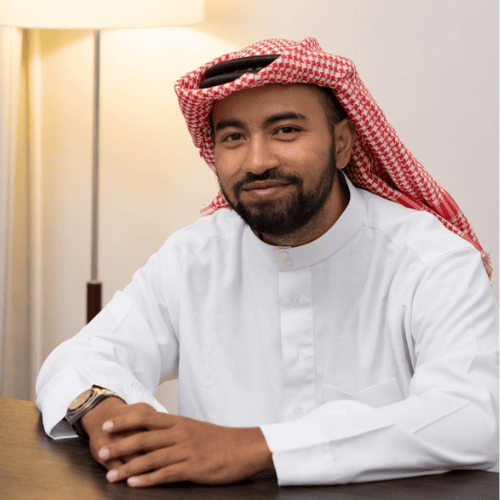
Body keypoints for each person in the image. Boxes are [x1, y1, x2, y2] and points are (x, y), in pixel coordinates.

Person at [36, 37, 498, 488]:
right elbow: (80, 358)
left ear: (342, 143)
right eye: (234, 137)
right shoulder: (194, 256)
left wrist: (255, 447)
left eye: (286, 131)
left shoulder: (431, 261)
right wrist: (105, 413)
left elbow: (472, 416)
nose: (257, 161)